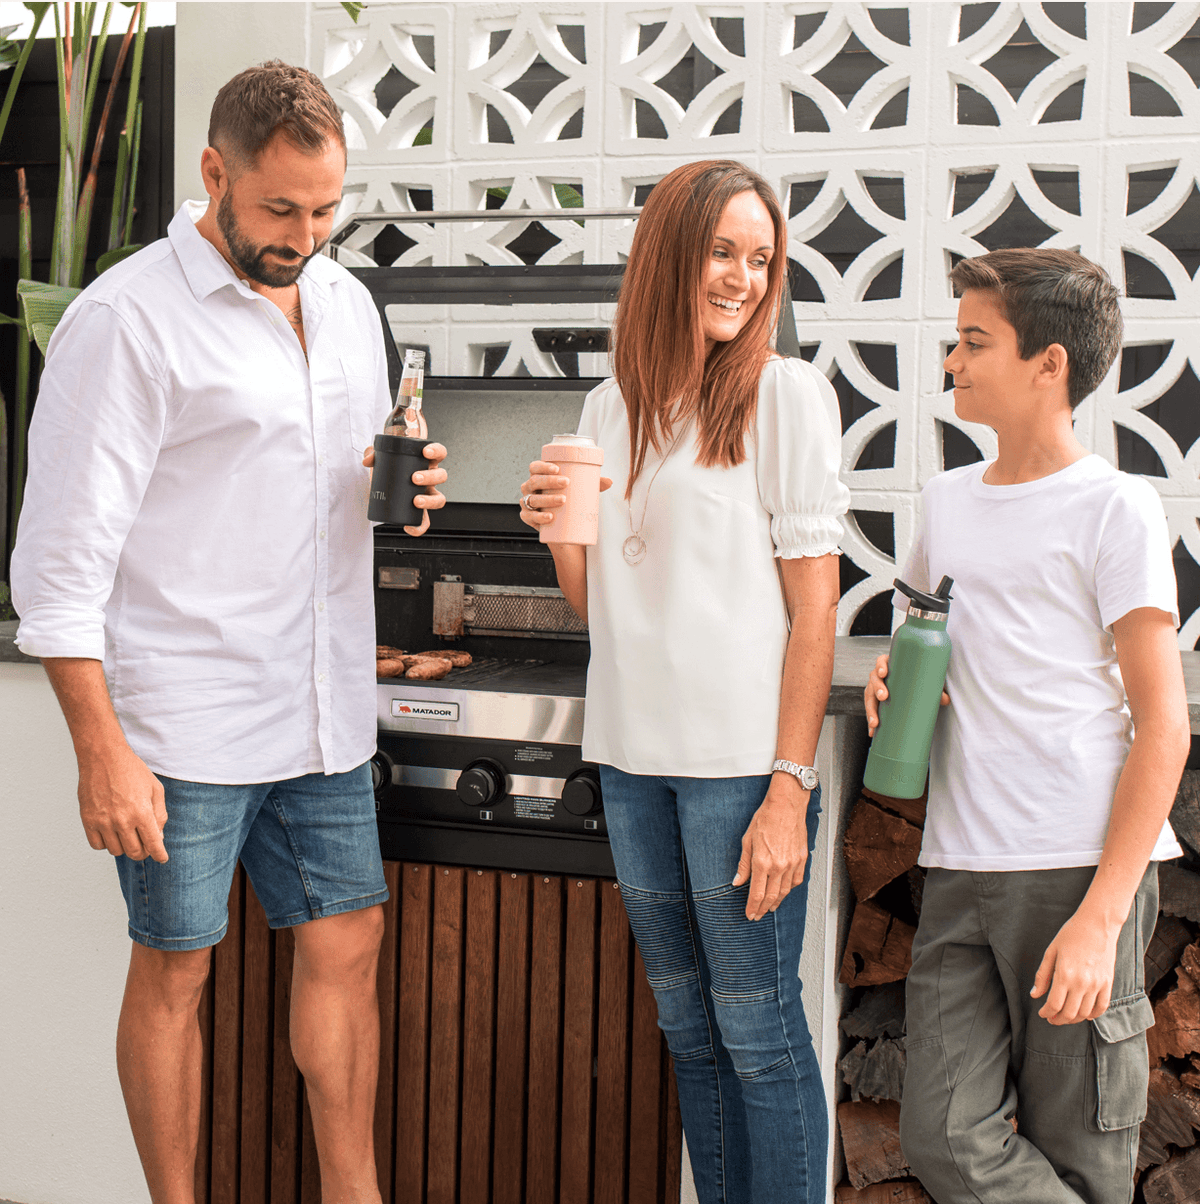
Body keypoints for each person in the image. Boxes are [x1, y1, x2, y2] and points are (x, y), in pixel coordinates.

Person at [10, 62, 447, 1204]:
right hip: (184, 723)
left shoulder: (348, 304)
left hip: (321, 711)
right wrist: (101, 750)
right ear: (214, 174)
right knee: (176, 974)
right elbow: (58, 567)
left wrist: (402, 486)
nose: (305, 235)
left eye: (325, 210)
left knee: (347, 947)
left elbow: (333, 480)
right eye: (279, 210)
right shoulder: (124, 322)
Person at [519, 160, 850, 1203]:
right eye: (723, 252)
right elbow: (599, 608)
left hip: (738, 772)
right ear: (669, 253)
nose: (744, 279)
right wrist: (554, 529)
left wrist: (789, 789)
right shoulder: (608, 405)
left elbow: (815, 610)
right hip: (630, 761)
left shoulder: (786, 396)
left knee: (758, 1029)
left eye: (761, 259)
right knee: (691, 1029)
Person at [864, 248, 1190, 1204]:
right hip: (962, 864)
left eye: (975, 342)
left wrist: (1102, 918)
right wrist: (895, 677)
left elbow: (1163, 725)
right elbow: (926, 642)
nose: (953, 361)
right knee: (942, 1135)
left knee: (1084, 1152)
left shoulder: (1117, 506)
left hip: (1076, 869)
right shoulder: (945, 502)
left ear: (1051, 364)